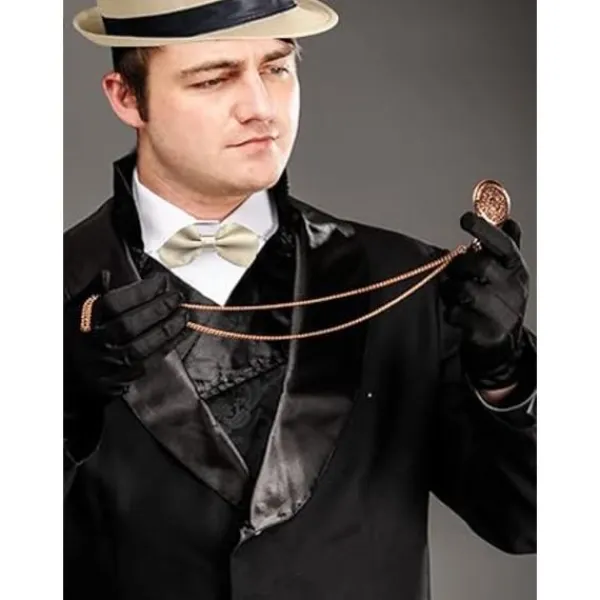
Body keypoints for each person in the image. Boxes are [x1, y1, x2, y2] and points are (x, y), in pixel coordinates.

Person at [64, 1, 537, 599]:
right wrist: (59, 405)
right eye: (213, 79)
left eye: (277, 68)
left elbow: (531, 519)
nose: (260, 106)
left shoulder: (407, 283)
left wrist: (505, 378)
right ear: (127, 97)